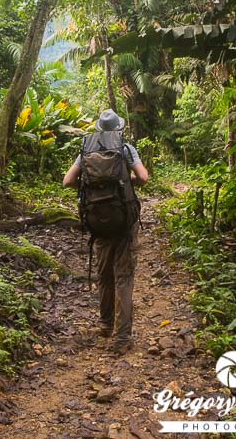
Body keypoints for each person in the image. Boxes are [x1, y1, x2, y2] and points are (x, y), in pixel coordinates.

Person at [63, 109, 148, 354]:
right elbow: (143, 177)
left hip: (98, 222)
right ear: (118, 128)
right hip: (123, 223)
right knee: (124, 277)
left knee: (104, 276)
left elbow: (67, 181)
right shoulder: (125, 148)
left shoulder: (87, 148)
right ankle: (122, 338)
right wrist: (125, 182)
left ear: (99, 128)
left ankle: (105, 324)